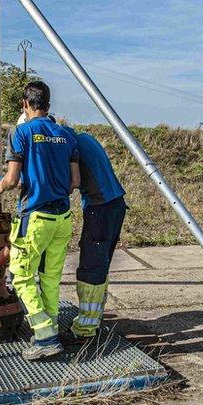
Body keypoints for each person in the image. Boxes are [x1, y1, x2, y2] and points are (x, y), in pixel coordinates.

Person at [0, 81, 79, 360]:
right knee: (50, 278)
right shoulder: (67, 135)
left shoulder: (21, 132)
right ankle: (50, 328)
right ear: (48, 105)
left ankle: (46, 336)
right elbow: (74, 181)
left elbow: (12, 181)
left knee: (21, 276)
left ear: (25, 104)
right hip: (62, 219)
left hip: (35, 218)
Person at [57, 123, 126, 341]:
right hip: (115, 205)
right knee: (101, 264)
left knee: (91, 266)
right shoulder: (85, 138)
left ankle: (85, 328)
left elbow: (70, 181)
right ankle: (94, 319)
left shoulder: (68, 145)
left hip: (100, 208)